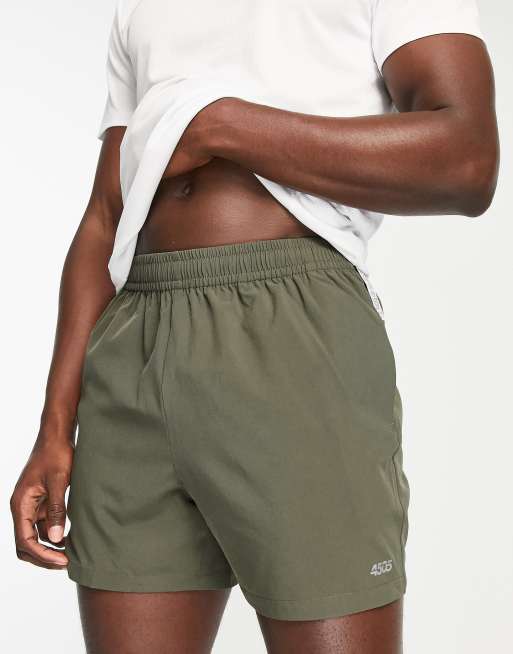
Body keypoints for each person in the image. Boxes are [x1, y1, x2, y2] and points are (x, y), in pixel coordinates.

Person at [11, 0, 499, 652]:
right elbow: (105, 214)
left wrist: (223, 126)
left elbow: (466, 161)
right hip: (133, 339)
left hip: (290, 328)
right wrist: (54, 429)